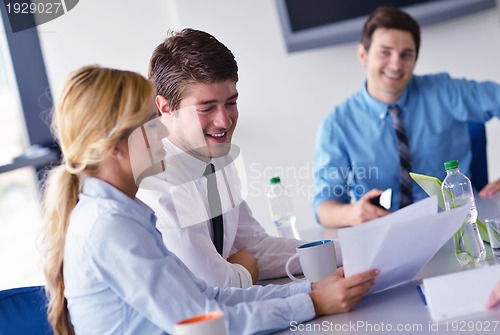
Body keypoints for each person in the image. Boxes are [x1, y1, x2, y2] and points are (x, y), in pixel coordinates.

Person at [40, 65, 378, 335]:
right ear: (115, 147)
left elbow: (207, 297)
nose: (162, 131)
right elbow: (201, 320)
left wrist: (310, 293)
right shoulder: (109, 227)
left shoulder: (125, 215)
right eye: (149, 123)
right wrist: (313, 304)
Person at [137, 28, 309, 289]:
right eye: (206, 108)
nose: (224, 121)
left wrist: (346, 251)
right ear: (165, 108)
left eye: (231, 102)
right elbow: (212, 286)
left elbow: (257, 249)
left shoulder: (217, 157)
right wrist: (245, 268)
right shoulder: (156, 178)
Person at [313, 6, 500, 228]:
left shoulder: (445, 91)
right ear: (363, 54)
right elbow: (324, 205)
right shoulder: (337, 125)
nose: (396, 64)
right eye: (385, 52)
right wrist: (352, 214)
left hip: (459, 227)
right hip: (388, 236)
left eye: (406, 54)